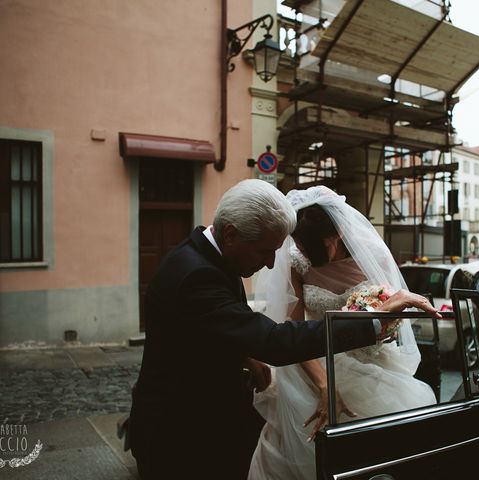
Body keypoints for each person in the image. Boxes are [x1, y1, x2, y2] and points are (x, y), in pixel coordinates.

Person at [127, 179, 437, 479]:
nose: (272, 264)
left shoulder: (209, 258)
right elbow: (274, 340)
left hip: (197, 423)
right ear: (232, 234)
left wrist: (243, 354)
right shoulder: (198, 276)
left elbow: (212, 328)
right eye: (264, 252)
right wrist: (372, 317)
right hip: (183, 438)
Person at [248, 186, 440, 479]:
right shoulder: (297, 261)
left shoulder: (371, 254)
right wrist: (325, 385)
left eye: (315, 246)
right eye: (300, 245)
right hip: (311, 361)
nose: (306, 254)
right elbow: (293, 332)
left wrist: (379, 329)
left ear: (337, 233)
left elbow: (389, 323)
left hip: (370, 365)